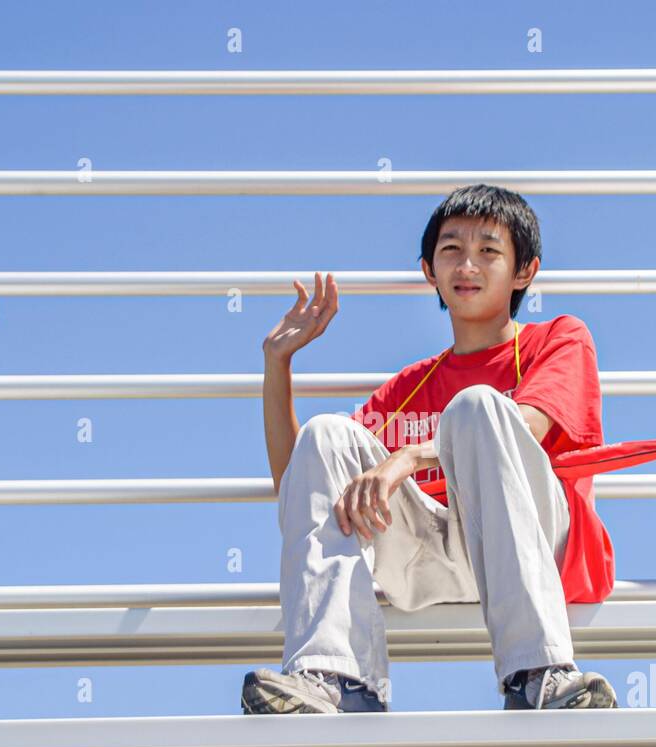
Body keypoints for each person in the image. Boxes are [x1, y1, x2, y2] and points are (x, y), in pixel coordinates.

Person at [242, 184, 618, 715]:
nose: (468, 264)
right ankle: (335, 678)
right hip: (432, 562)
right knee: (326, 433)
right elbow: (301, 489)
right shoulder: (411, 388)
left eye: (489, 250)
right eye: (451, 250)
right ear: (429, 270)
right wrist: (277, 365)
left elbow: (527, 424)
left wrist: (410, 457)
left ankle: (539, 673)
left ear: (523, 271)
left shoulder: (556, 339)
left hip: (530, 551)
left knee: (478, 407)